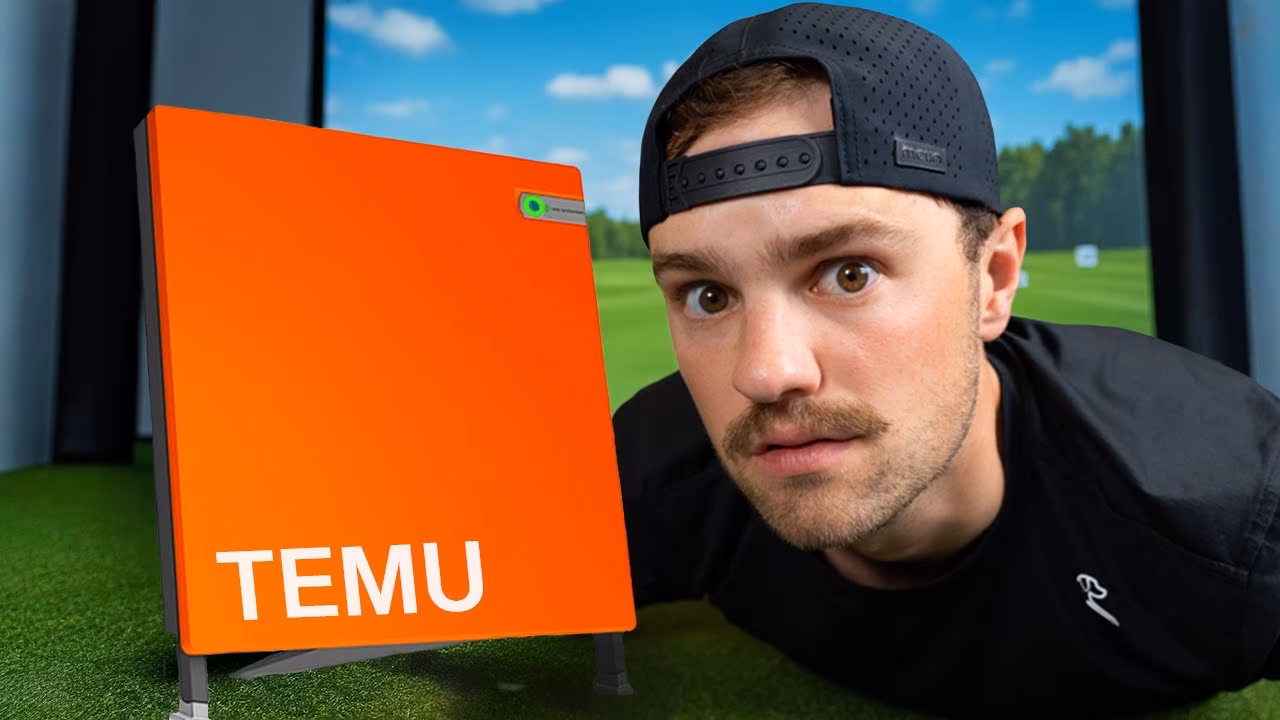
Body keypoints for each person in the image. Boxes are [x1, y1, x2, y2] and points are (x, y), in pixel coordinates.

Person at [614, 3, 1280, 718]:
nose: (766, 373)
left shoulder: (1230, 516)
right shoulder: (649, 476)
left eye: (849, 274)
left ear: (993, 280)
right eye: (708, 295)